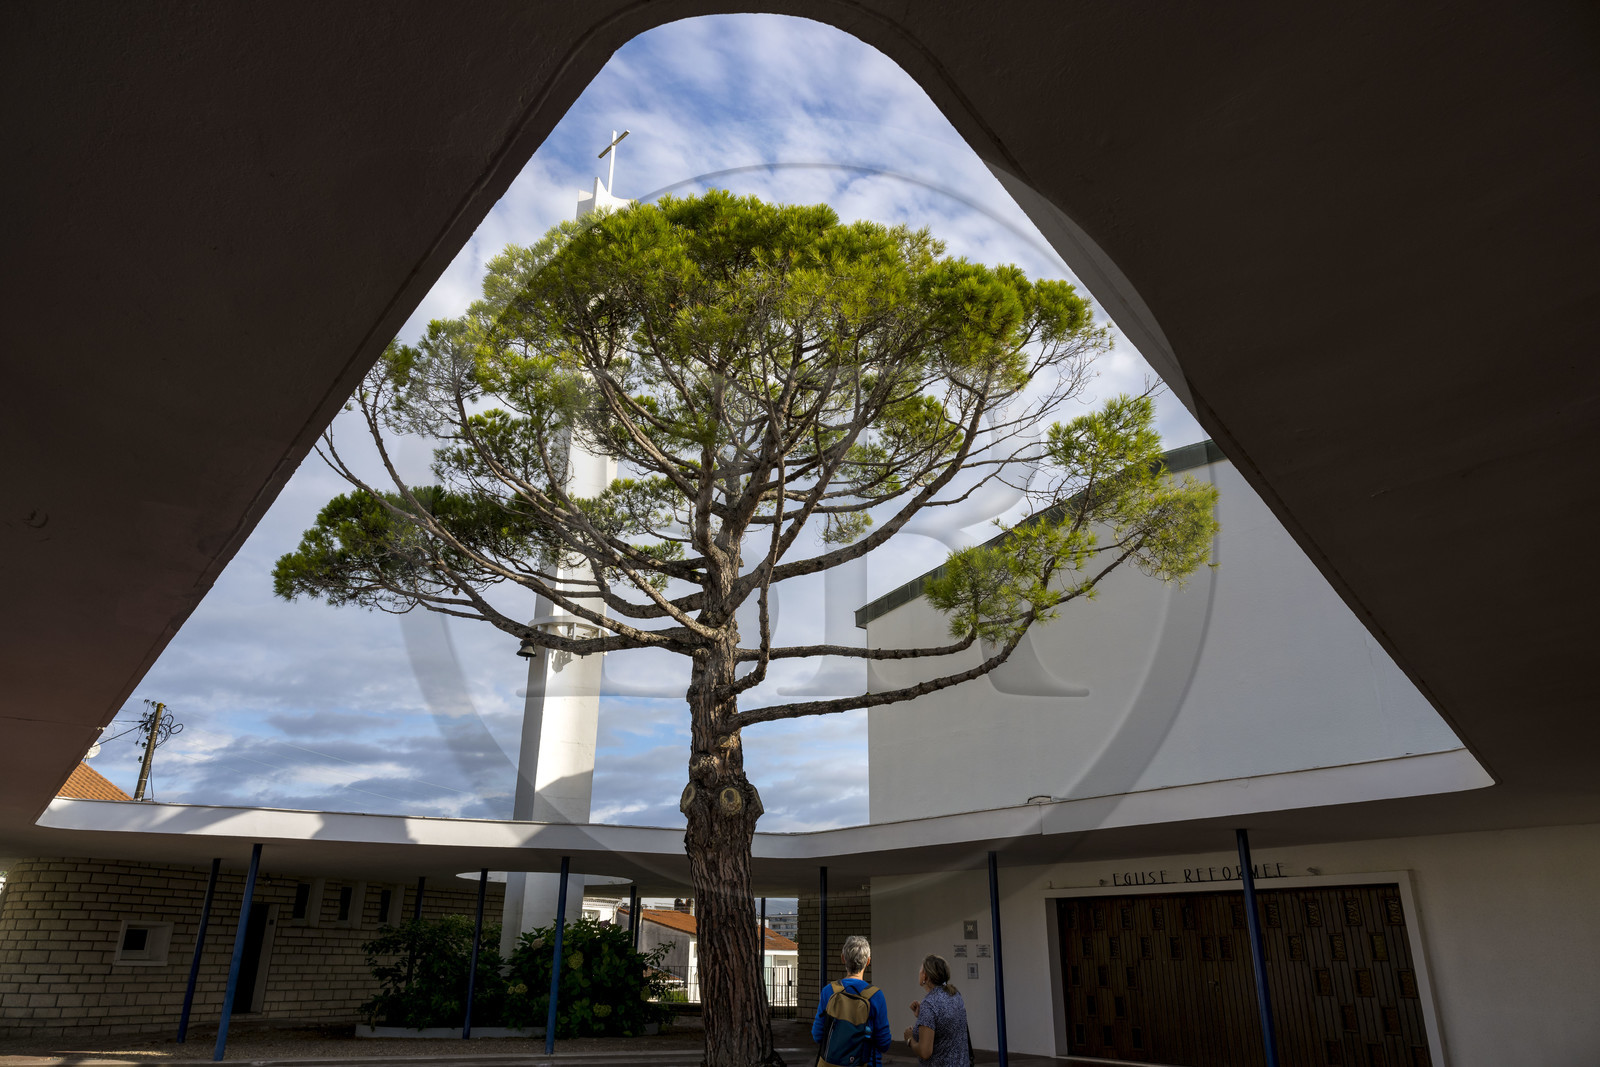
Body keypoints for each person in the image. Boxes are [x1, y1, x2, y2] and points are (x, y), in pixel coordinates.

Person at [812, 935, 892, 1066]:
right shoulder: (875, 996)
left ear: (843, 958)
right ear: (868, 962)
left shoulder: (829, 991)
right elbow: (884, 1043)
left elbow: (818, 1035)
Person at [902, 953, 970, 1066]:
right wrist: (921, 1016)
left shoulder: (929, 1003)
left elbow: (925, 1052)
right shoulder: (955, 994)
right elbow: (946, 1025)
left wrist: (909, 1039)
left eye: (920, 970)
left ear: (925, 976)